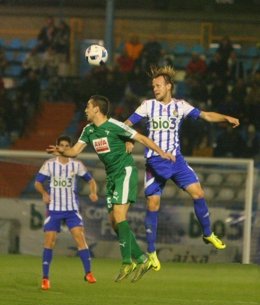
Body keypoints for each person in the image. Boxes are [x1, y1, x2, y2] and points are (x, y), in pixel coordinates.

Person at [46, 95, 175, 283]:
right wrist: (59, 151)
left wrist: (162, 153)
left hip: (125, 171)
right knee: (114, 222)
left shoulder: (114, 125)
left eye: (88, 106)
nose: (85, 110)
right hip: (112, 177)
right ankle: (142, 258)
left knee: (119, 214)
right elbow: (74, 152)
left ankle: (126, 262)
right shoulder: (88, 130)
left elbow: (140, 137)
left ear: (97, 109)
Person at [124, 65, 240, 271]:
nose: (155, 89)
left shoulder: (181, 105)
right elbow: (127, 123)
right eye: (153, 86)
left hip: (175, 160)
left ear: (169, 86)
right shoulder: (147, 106)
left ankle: (207, 233)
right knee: (153, 204)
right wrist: (128, 138)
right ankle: (151, 253)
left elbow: (206, 115)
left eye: (158, 85)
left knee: (198, 192)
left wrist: (225, 118)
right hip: (155, 161)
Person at [35, 135, 98, 290]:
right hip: (54, 210)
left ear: (70, 148)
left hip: (71, 210)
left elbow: (91, 180)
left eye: (66, 145)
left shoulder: (76, 165)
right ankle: (45, 278)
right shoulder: (49, 165)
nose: (63, 147)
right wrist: (44, 193)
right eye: (61, 145)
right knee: (49, 241)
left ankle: (88, 273)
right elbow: (38, 182)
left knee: (80, 239)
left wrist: (93, 192)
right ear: (57, 147)